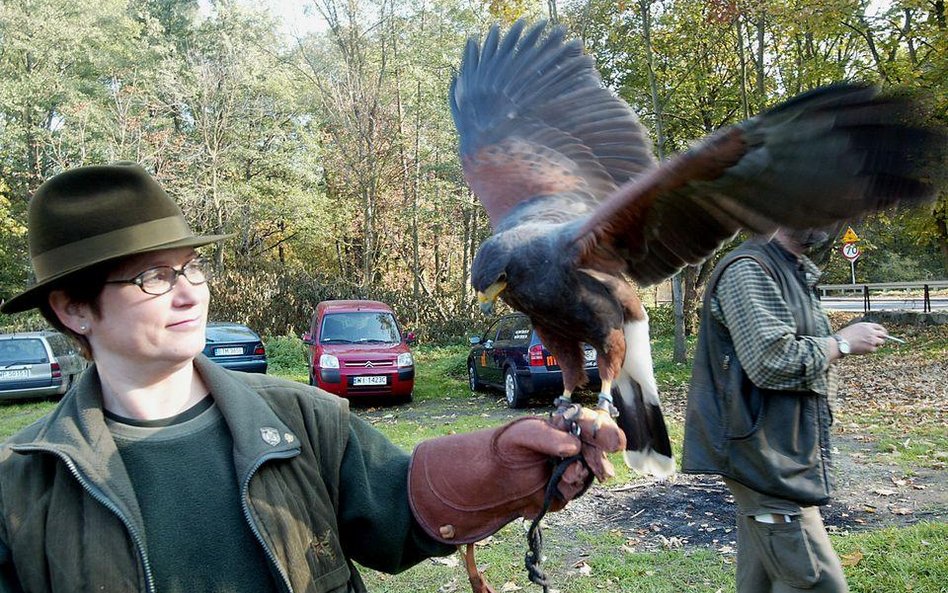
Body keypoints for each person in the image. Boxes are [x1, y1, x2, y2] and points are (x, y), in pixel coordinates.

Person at [0, 163, 625, 593]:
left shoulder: (300, 420)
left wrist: (505, 462)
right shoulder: (21, 490)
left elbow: (400, 508)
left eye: (190, 267)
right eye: (153, 277)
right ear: (73, 307)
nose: (190, 293)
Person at [681, 228, 893, 592]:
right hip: (765, 461)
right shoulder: (749, 269)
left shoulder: (789, 269)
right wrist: (842, 342)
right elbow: (771, 359)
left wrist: (837, 340)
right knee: (818, 584)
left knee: (760, 583)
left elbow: (794, 344)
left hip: (782, 456)